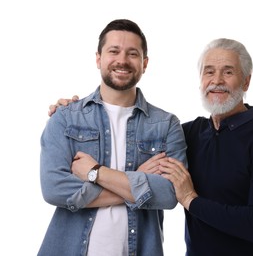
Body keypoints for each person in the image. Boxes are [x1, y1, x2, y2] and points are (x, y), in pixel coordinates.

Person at [49, 38, 253, 256]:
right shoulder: (190, 134)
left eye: (228, 72)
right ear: (200, 81)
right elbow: (137, 138)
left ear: (246, 81)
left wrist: (190, 199)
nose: (217, 80)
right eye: (209, 72)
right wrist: (72, 110)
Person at [39, 19, 187, 256]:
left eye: (132, 53)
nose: (122, 60)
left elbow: (169, 194)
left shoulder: (166, 125)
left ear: (144, 63)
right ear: (98, 58)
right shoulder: (66, 118)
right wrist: (139, 182)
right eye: (114, 51)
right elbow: (54, 189)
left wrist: (95, 173)